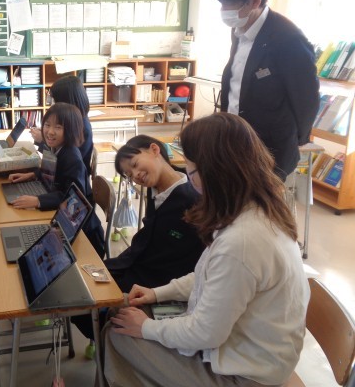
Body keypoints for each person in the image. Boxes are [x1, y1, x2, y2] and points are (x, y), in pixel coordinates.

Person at [103, 113, 309, 387]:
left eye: (190, 169)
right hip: (252, 352)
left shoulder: (242, 240)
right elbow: (210, 275)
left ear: (212, 171)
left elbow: (205, 332)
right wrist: (157, 293)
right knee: (124, 320)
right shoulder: (258, 212)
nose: (189, 178)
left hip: (244, 375)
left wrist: (146, 327)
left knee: (117, 332)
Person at [72, 135, 203, 342]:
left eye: (134, 165)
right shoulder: (156, 189)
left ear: (154, 150)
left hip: (157, 281)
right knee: (77, 285)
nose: (135, 176)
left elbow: (194, 263)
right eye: (129, 174)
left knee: (81, 301)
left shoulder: (193, 199)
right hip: (136, 264)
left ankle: (105, 341)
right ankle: (101, 340)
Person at [212, 0, 319, 179]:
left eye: (228, 3)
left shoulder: (288, 39)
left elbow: (306, 99)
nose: (223, 10)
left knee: (260, 201)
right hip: (234, 140)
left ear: (254, 1)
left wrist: (295, 141)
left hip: (269, 150)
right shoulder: (239, 29)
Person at [8, 102, 105, 257]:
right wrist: (33, 175)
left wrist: (38, 201)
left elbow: (73, 198)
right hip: (63, 221)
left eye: (58, 127)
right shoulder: (55, 148)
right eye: (47, 125)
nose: (50, 132)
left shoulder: (72, 159)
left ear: (71, 130)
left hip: (84, 234)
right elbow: (50, 172)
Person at [31, 75, 93, 173]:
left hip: (68, 178)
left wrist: (43, 140)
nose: (52, 104)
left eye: (55, 101)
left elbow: (62, 162)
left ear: (66, 102)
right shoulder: (73, 121)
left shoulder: (82, 129)